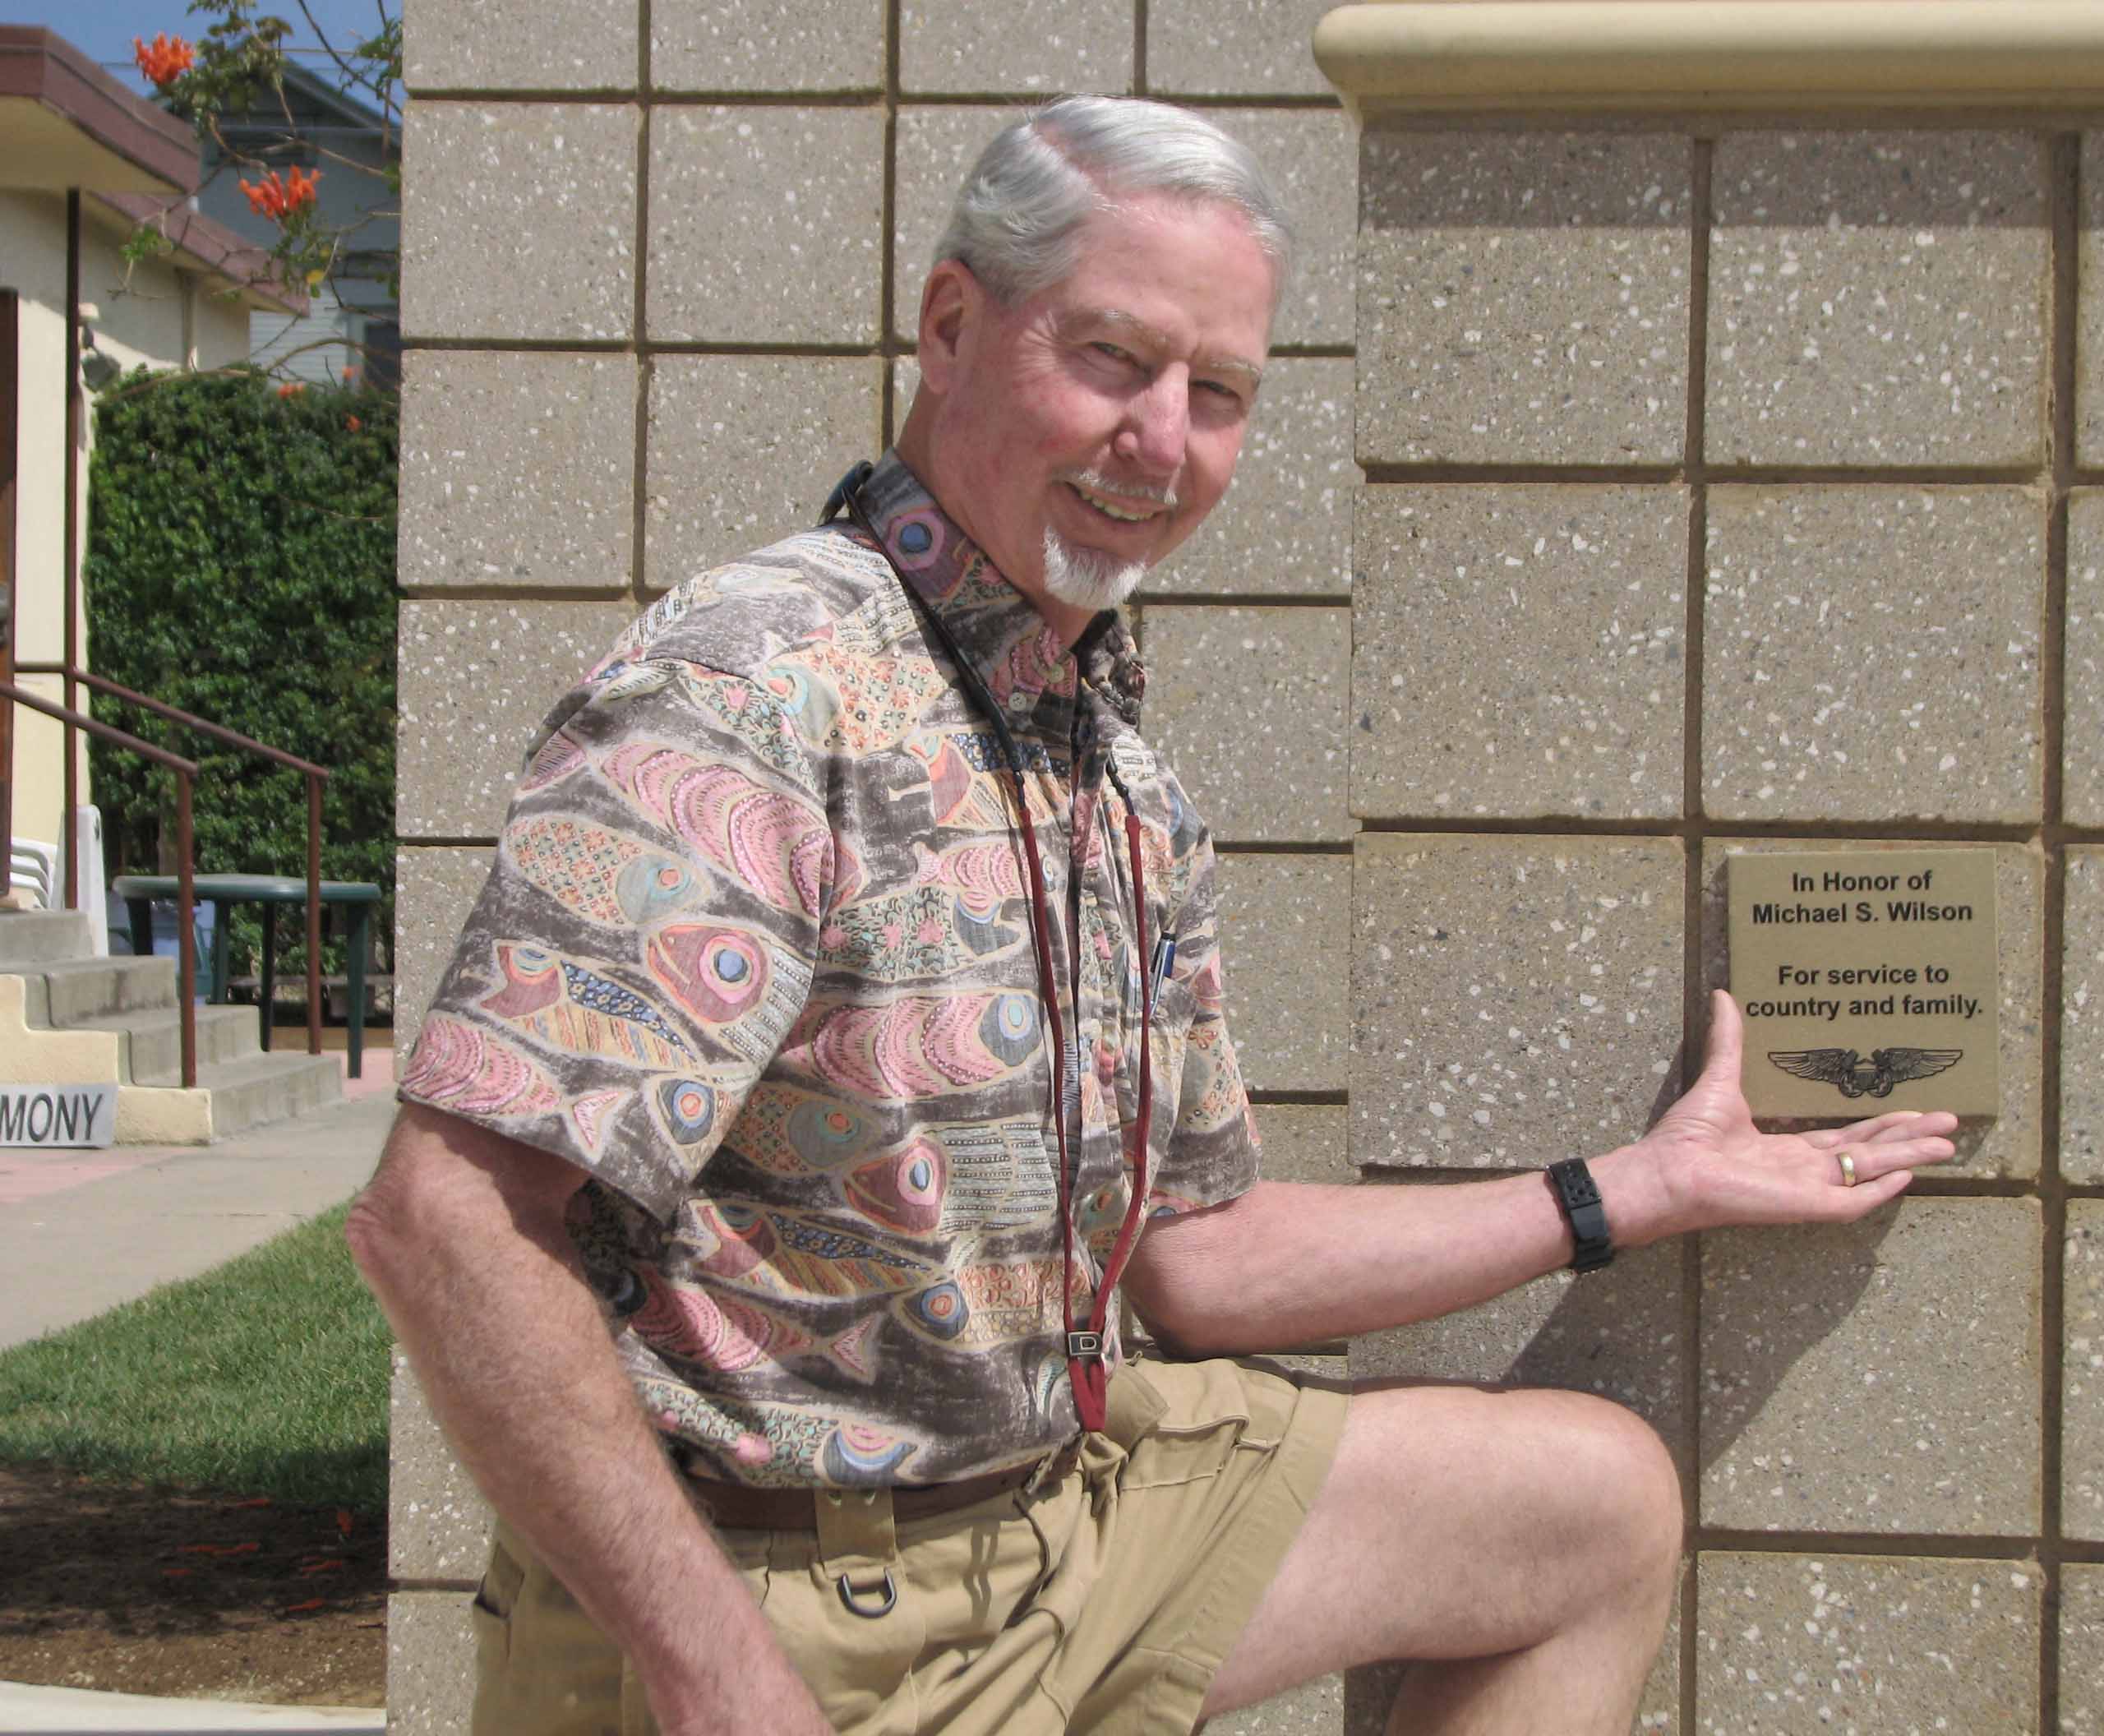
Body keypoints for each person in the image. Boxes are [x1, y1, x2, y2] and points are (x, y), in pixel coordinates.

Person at [349, 97, 1956, 1736]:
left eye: (1221, 392)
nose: (1163, 440)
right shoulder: (756, 691)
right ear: (952, 327)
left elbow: (1201, 1258)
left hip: (1057, 1519)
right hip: (773, 1598)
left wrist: (1635, 1189)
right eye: (1114, 359)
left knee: (1583, 1510)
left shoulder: (1110, 771)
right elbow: (446, 1221)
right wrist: (722, 1687)